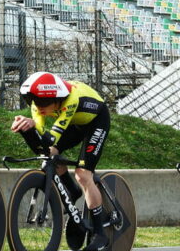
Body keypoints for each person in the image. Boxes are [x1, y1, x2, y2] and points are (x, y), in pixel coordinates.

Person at [11, 72, 112, 251]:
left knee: (83, 174)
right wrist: (28, 127)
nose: (38, 106)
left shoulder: (70, 100)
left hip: (96, 120)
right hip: (76, 123)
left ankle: (100, 235)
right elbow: (42, 139)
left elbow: (51, 137)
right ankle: (71, 190)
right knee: (50, 154)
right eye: (33, 101)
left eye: (43, 103)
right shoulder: (38, 104)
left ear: (58, 99)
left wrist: (33, 130)